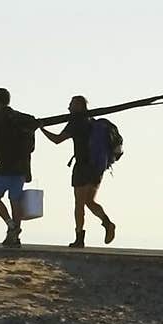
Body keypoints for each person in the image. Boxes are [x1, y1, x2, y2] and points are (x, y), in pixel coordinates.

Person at [40, 96, 116, 247]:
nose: (68, 108)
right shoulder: (92, 122)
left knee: (79, 203)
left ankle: (79, 237)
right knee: (89, 201)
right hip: (98, 167)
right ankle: (107, 223)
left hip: (83, 167)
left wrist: (41, 128)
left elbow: (57, 139)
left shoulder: (76, 122)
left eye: (71, 105)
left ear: (80, 106)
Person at [0, 88, 37, 248]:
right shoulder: (22, 118)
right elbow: (32, 141)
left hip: (4, 167)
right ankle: (15, 236)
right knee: (15, 201)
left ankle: (11, 226)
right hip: (21, 168)